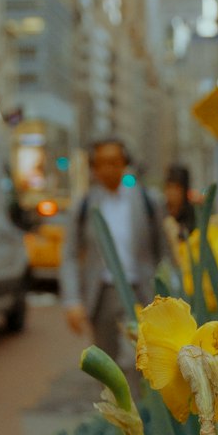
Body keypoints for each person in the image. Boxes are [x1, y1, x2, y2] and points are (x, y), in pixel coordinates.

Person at [60, 138, 168, 361]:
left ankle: (140, 397)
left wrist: (166, 296)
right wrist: (72, 301)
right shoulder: (84, 206)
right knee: (107, 364)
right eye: (102, 163)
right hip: (102, 296)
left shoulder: (148, 202)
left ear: (124, 163)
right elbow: (69, 254)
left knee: (144, 361)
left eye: (114, 161)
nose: (109, 168)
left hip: (141, 292)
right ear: (94, 168)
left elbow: (164, 252)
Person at [163, 164, 196, 253]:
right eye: (169, 187)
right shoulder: (161, 213)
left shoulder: (193, 216)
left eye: (177, 188)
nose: (171, 193)